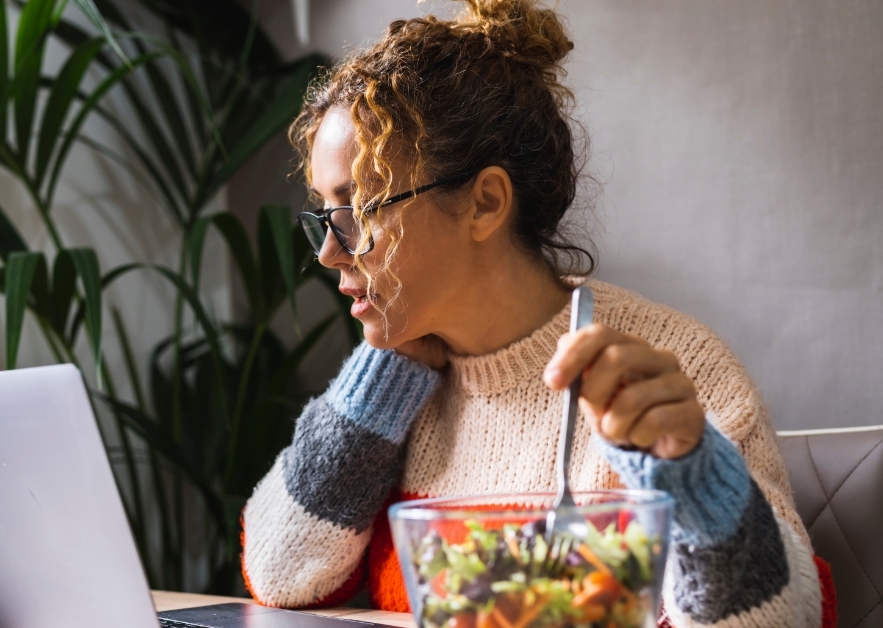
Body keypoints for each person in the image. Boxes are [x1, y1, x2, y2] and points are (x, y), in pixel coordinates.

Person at [240, 1, 834, 626]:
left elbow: (783, 620)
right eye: (323, 218)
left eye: (357, 212)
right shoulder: (399, 385)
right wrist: (383, 377)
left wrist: (690, 473)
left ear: (486, 202)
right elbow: (282, 575)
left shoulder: (672, 376)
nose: (330, 251)